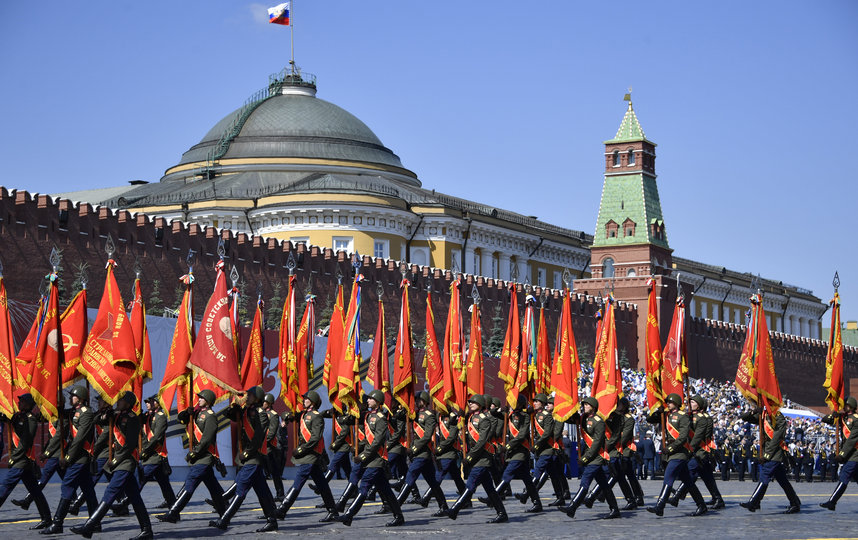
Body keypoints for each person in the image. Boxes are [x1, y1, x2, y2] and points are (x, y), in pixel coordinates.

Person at [69, 391, 152, 540]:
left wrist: (116, 460)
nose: (117, 402)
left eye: (120, 400)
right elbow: (94, 421)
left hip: (126, 462)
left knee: (110, 492)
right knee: (135, 497)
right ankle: (147, 530)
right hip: (121, 462)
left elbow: (130, 444)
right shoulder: (116, 415)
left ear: (127, 403)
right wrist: (103, 412)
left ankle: (89, 526)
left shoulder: (132, 419)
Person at [209, 386, 278, 532]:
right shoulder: (246, 410)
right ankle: (272, 520)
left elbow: (259, 437)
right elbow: (232, 416)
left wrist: (246, 452)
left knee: (241, 489)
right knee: (262, 491)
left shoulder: (261, 413)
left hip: (254, 456)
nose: (248, 397)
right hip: (249, 458)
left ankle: (224, 520)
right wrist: (233, 409)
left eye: (251, 395)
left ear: (257, 397)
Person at [156, 389, 228, 523]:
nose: (199, 399)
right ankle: (224, 517)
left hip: (204, 456)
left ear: (208, 400)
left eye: (201, 398)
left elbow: (207, 439)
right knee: (214, 489)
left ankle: (173, 513)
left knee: (190, 483)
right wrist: (186, 413)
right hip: (200, 457)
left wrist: (195, 452)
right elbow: (182, 420)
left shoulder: (210, 416)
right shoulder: (197, 413)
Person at [335, 389, 404, 527]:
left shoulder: (381, 418)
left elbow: (377, 441)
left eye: (370, 399)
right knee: (386, 490)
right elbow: (366, 437)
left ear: (377, 401)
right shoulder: (367, 416)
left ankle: (349, 515)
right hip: (371, 459)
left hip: (376, 459)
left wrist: (363, 456)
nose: (367, 401)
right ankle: (399, 516)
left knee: (364, 486)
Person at [42, 385, 99, 535]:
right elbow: (63, 416)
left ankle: (57, 523)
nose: (70, 398)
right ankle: (96, 522)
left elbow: (79, 439)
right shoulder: (75, 412)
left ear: (79, 398)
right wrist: (58, 406)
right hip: (79, 458)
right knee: (88, 490)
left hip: (80, 457)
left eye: (72, 396)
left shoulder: (86, 413)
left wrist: (68, 457)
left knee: (67, 486)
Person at [274, 390, 339, 521]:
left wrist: (301, 450)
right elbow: (293, 417)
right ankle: (333, 511)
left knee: (298, 481)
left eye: (306, 399)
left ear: (313, 402)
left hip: (310, 454)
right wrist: (287, 415)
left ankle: (282, 509)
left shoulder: (316, 416)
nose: (304, 400)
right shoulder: (304, 414)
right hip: (307, 454)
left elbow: (315, 438)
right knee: (322, 484)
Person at [443, 394, 507, 523]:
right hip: (478, 458)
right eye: (469, 402)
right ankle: (502, 513)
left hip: (482, 458)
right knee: (490, 489)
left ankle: (455, 510)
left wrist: (470, 456)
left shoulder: (484, 419)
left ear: (480, 403)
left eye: (473, 402)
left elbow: (482, 441)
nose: (470, 403)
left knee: (470, 485)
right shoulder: (471, 417)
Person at [111, 395, 176, 515]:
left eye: (151, 401)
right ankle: (174, 510)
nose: (148, 403)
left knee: (140, 479)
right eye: (147, 402)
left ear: (158, 403)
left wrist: (145, 450)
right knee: (165, 485)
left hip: (155, 454)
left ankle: (124, 504)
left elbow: (157, 437)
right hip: (149, 455)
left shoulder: (160, 417)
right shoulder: (146, 416)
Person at [645, 393, 707, 517]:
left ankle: (660, 506)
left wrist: (671, 448)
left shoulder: (683, 416)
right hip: (671, 452)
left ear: (677, 403)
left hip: (679, 452)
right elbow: (649, 420)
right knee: (688, 481)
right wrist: (658, 412)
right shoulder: (666, 415)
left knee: (669, 476)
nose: (668, 403)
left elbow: (683, 436)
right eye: (667, 402)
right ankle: (701, 505)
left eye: (670, 402)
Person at [11, 394, 70, 519]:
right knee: (69, 480)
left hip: (58, 452)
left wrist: (47, 452)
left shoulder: (62, 417)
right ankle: (74, 500)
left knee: (44, 477)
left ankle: (28, 500)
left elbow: (58, 436)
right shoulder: (51, 415)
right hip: (55, 452)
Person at [479, 394, 541, 513]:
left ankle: (493, 498)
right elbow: (492, 413)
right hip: (513, 452)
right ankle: (537, 503)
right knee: (528, 480)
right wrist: (501, 409)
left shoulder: (525, 416)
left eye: (515, 402)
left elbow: (522, 435)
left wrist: (508, 446)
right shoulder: (508, 414)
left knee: (507, 474)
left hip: (520, 451)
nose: (512, 403)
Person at [560, 396, 620, 519]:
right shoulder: (583, 418)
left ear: (593, 407)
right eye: (584, 405)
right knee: (604, 485)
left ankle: (572, 507)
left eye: (587, 405)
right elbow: (569, 419)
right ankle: (614, 509)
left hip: (596, 456)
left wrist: (585, 458)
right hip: (591, 456)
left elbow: (597, 443)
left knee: (585, 481)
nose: (584, 406)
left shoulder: (598, 421)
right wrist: (573, 413)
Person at [0, 394, 52, 530]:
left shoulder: (31, 420)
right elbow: (9, 419)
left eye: (22, 401)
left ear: (29, 404)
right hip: (24, 461)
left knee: (5, 487)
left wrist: (14, 458)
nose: (19, 403)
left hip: (22, 460)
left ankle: (47, 519)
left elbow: (25, 442)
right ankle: (46, 519)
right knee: (35, 491)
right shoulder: (18, 416)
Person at [738, 405, 801, 514]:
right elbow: (744, 417)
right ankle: (795, 503)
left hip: (774, 453)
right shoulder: (763, 415)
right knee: (782, 480)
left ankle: (753, 502)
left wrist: (767, 454)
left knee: (765, 475)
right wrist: (753, 412)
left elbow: (777, 437)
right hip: (768, 452)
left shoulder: (777, 416)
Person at [393, 391, 448, 514]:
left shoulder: (429, 415)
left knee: (410, 477)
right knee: (433, 482)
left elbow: (427, 436)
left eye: (419, 400)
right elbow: (401, 421)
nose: (417, 402)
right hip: (419, 453)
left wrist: (414, 448)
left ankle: (396, 506)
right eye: (416, 400)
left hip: (423, 453)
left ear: (424, 401)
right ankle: (444, 506)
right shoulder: (414, 414)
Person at [667, 395, 725, 509]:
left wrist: (689, 449)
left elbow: (699, 437)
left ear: (698, 405)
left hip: (701, 451)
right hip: (696, 450)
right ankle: (717, 498)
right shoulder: (690, 416)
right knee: (707, 477)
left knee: (689, 471)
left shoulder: (704, 418)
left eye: (693, 402)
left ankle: (678, 495)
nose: (690, 404)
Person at [819, 396, 858, 511]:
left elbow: (852, 440)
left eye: (845, 405)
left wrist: (842, 454)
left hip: (855, 453)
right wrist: (834, 413)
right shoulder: (842, 417)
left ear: (850, 406)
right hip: (850, 454)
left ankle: (832, 502)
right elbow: (825, 419)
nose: (843, 407)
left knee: (844, 476)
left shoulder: (856, 419)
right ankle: (832, 502)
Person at [311, 405, 354, 496]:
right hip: (340, 447)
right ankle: (354, 490)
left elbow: (344, 432)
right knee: (348, 470)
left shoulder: (345, 416)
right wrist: (329, 411)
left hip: (344, 446)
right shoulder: (335, 414)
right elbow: (322, 414)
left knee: (333, 465)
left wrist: (335, 444)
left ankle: (321, 486)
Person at [262, 393, 285, 501]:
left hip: (268, 447)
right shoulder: (260, 413)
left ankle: (280, 493)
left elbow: (272, 432)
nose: (263, 404)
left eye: (264, 402)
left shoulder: (273, 415)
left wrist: (263, 442)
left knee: (274, 472)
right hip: (260, 448)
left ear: (269, 403)